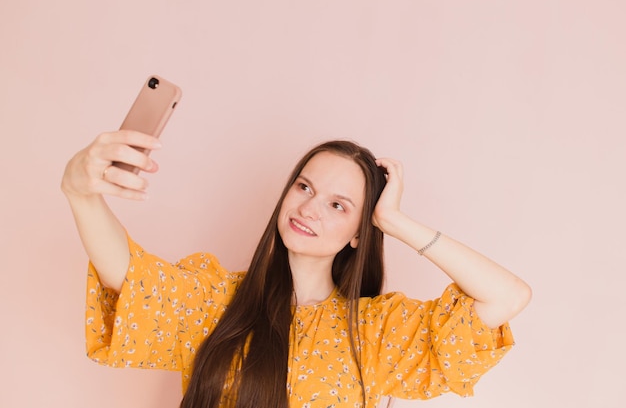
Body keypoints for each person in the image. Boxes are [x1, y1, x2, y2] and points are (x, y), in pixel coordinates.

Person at [61, 130, 532, 408]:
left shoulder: (375, 332)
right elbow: (128, 276)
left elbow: (506, 296)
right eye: (304, 187)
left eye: (337, 204)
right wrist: (80, 191)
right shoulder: (215, 301)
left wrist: (395, 222)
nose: (310, 208)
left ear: (358, 231)